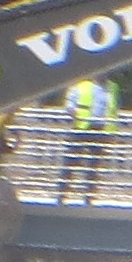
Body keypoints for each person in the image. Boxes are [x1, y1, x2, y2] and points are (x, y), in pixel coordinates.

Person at [54, 74, 120, 203]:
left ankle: (89, 198)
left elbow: (113, 110)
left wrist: (112, 133)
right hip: (81, 128)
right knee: (71, 162)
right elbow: (69, 105)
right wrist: (75, 113)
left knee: (94, 166)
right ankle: (61, 195)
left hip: (101, 131)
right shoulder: (82, 85)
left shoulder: (113, 88)